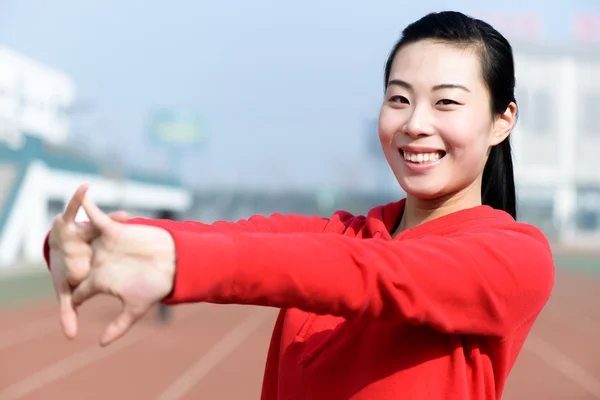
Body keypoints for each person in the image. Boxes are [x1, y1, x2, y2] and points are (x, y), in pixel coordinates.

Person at [43, 11, 555, 400]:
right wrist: (79, 242)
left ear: (501, 121)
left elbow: (383, 276)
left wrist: (178, 264)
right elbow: (220, 235)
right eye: (399, 99)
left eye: (446, 102)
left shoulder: (515, 257)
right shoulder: (335, 236)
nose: (415, 122)